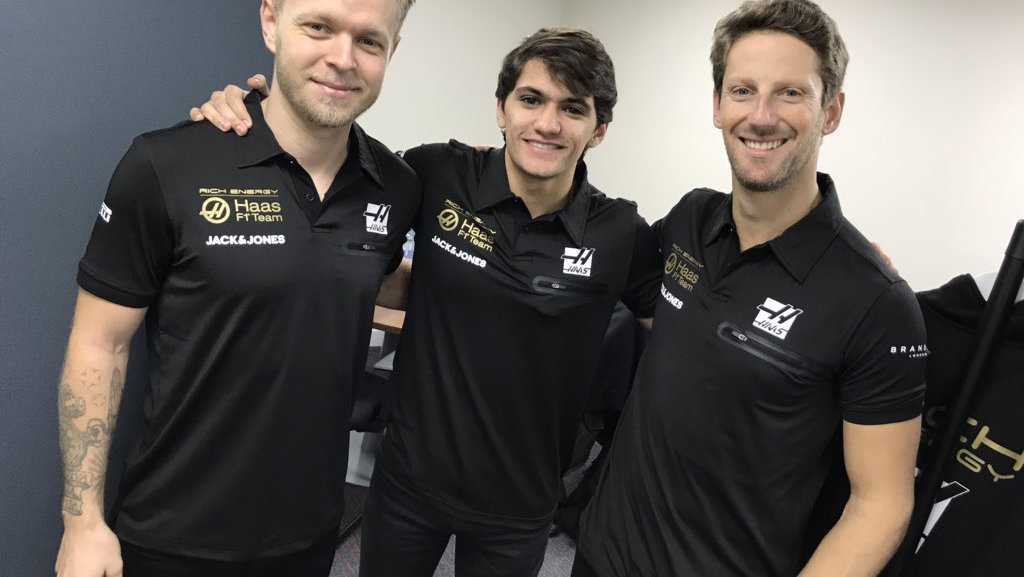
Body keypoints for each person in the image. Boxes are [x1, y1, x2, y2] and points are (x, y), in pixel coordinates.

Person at [193, 28, 662, 577]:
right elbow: (325, 162)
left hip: (520, 505)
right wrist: (254, 109)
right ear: (502, 108)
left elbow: (682, 341)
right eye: (531, 99)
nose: (548, 123)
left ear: (599, 130)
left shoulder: (620, 233)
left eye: (573, 108)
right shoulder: (438, 173)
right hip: (408, 484)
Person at [54, 1, 418, 576]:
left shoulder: (396, 186)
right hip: (171, 535)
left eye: (369, 41)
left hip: (307, 533)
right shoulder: (166, 163)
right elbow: (101, 345)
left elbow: (364, 278)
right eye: (318, 26)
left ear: (392, 52)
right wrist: (82, 523)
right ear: (271, 22)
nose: (343, 58)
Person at [574, 1, 928, 576]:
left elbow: (880, 505)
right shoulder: (690, 218)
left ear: (831, 111)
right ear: (717, 106)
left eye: (790, 93)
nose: (761, 117)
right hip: (599, 553)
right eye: (742, 91)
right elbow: (634, 283)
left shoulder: (877, 303)